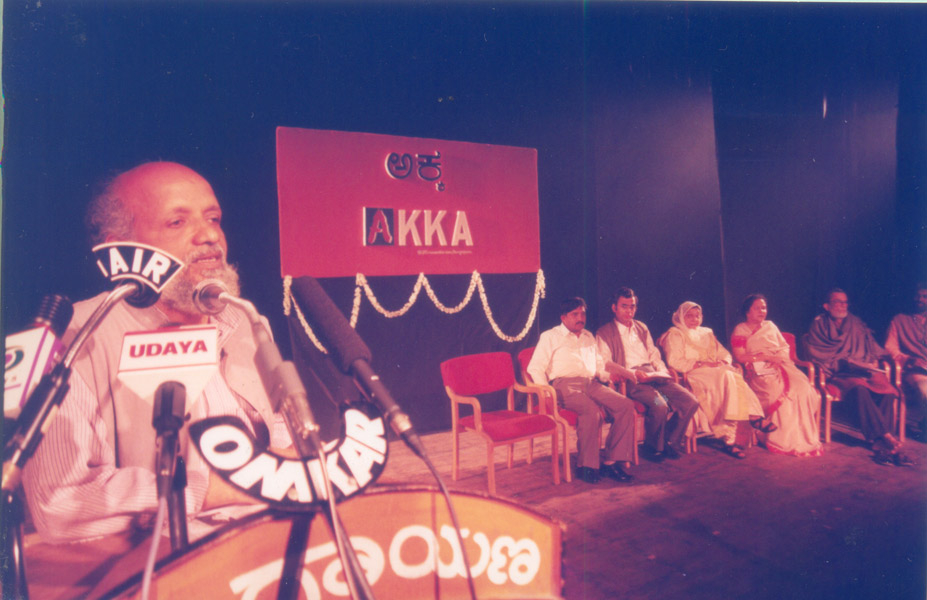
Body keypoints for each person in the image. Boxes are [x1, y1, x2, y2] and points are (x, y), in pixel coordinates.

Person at [22, 162, 291, 543]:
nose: (210, 236)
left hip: (270, 538)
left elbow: (280, 433)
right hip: (160, 568)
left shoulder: (244, 319)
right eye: (177, 223)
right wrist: (222, 488)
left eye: (213, 218)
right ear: (121, 248)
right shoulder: (74, 337)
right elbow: (60, 503)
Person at [527, 297, 637, 484]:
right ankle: (586, 466)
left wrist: (608, 377)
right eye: (575, 314)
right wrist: (545, 393)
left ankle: (611, 462)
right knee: (591, 412)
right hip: (564, 385)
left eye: (583, 313)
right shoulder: (550, 336)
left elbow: (597, 366)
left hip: (591, 383)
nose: (581, 318)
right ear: (563, 317)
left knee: (625, 405)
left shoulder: (588, 336)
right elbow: (535, 368)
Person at [804, 288, 909, 465]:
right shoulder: (818, 325)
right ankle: (886, 436)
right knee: (859, 388)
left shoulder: (856, 322)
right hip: (839, 371)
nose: (843, 306)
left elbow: (872, 347)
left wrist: (874, 360)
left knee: (888, 390)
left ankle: (878, 441)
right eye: (838, 302)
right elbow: (817, 351)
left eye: (845, 302)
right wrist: (843, 362)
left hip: (864, 369)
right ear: (827, 306)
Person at [595, 288, 699, 461]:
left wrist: (663, 372)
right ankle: (653, 447)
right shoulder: (604, 333)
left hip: (655, 376)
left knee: (690, 401)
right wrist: (632, 373)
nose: (629, 311)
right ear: (614, 308)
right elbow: (606, 363)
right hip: (632, 379)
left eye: (632, 307)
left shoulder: (641, 327)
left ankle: (670, 442)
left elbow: (653, 354)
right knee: (660, 405)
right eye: (624, 306)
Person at [659, 301, 766, 459]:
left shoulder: (707, 332)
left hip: (716, 372)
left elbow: (724, 354)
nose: (694, 319)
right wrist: (704, 363)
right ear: (681, 316)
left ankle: (732, 439)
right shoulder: (675, 333)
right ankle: (754, 416)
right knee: (729, 376)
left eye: (697, 316)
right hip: (694, 373)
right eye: (689, 316)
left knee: (731, 375)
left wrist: (722, 362)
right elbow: (675, 361)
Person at [729, 295, 823, 457]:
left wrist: (778, 359)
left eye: (764, 308)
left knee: (802, 388)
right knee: (776, 391)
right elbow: (740, 357)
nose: (762, 311)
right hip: (757, 370)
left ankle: (802, 438)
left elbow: (784, 347)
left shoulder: (770, 326)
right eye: (757, 308)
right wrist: (764, 358)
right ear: (747, 312)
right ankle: (776, 437)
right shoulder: (740, 329)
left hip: (781, 365)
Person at [884, 283, 927, 438]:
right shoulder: (899, 320)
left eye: (924, 296)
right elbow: (890, 348)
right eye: (918, 296)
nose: (920, 299)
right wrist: (908, 359)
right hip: (913, 370)